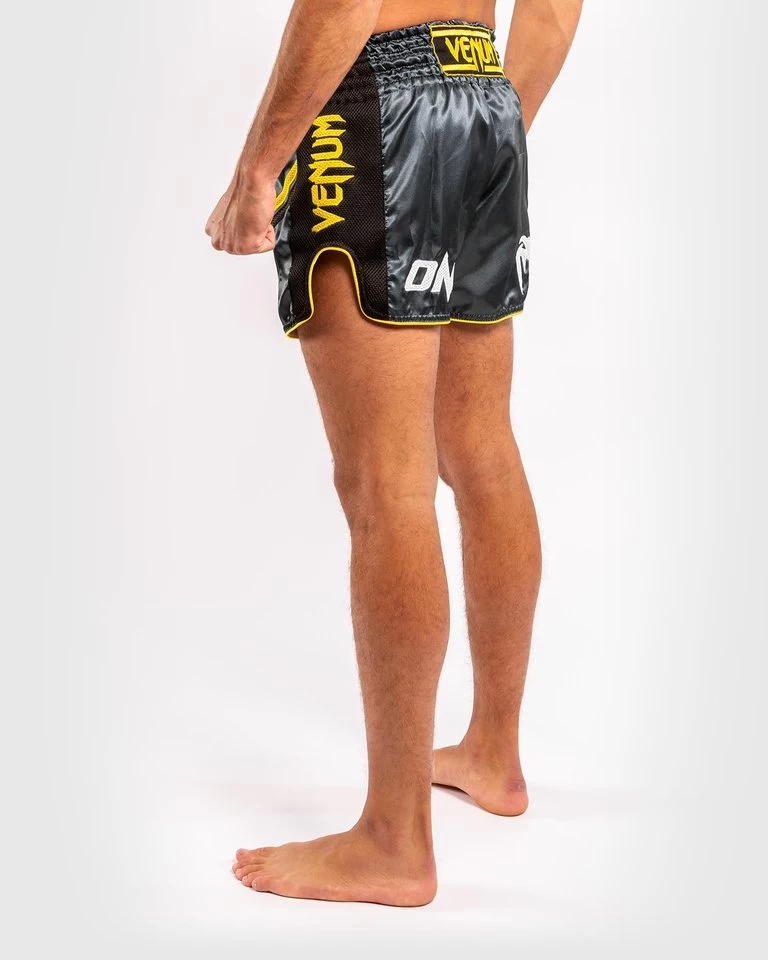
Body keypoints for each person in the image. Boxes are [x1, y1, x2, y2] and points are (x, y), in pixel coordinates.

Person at [206, 0, 582, 907]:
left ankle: (393, 840)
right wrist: (485, 129)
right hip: (484, 94)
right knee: (480, 446)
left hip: (379, 101)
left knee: (388, 486)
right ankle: (492, 752)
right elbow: (553, 11)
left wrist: (258, 168)